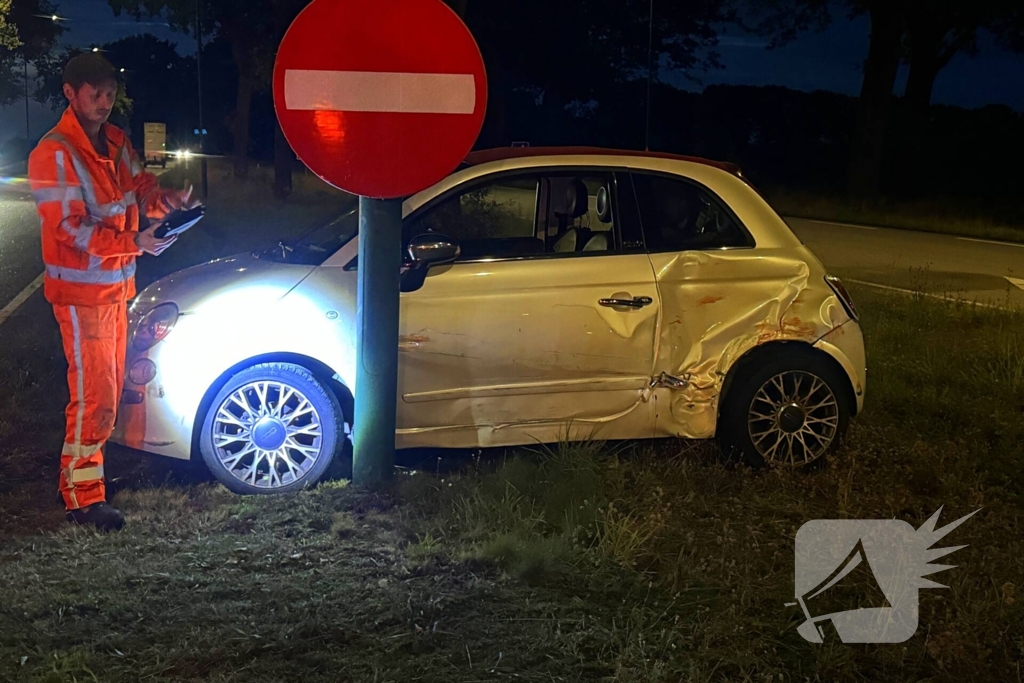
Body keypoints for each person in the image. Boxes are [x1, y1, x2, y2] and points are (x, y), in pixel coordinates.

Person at [28, 52, 199, 531]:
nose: (104, 103)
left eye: (109, 94)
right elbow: (69, 229)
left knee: (106, 392)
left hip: (114, 292)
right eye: (94, 94)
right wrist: (134, 242)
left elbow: (140, 192)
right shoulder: (54, 153)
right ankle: (83, 498)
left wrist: (169, 203)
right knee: (95, 397)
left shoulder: (117, 142)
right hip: (83, 301)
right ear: (71, 92)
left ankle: (91, 484)